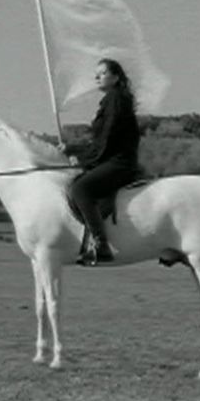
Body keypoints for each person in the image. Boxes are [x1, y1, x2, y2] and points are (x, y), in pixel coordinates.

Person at [59, 58, 142, 265]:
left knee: (80, 189)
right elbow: (99, 139)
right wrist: (73, 149)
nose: (97, 77)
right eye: (96, 74)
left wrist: (84, 158)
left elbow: (107, 137)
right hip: (113, 159)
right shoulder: (112, 99)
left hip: (119, 162)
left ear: (115, 77)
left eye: (102, 73)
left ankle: (100, 243)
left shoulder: (116, 99)